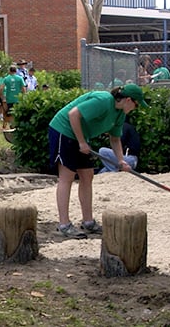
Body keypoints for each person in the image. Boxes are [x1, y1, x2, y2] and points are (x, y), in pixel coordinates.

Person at [48, 83, 147, 239]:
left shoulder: (119, 114)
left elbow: (115, 139)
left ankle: (88, 221)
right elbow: (73, 114)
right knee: (66, 177)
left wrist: (121, 161)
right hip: (64, 130)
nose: (136, 107)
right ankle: (64, 224)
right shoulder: (104, 100)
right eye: (136, 104)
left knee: (87, 176)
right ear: (128, 100)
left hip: (81, 136)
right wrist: (81, 142)